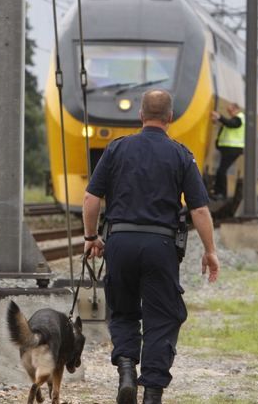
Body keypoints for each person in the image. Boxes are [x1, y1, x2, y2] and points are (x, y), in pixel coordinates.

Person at [82, 89, 220, 404]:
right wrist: (210, 250)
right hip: (160, 244)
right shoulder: (181, 154)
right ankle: (153, 393)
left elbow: (91, 199)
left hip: (120, 241)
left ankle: (127, 370)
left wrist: (91, 237)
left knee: (123, 311)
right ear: (170, 118)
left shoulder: (116, 149)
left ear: (141, 116)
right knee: (162, 316)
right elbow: (198, 210)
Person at [210, 103, 246, 200]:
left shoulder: (239, 118)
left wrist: (219, 117)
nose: (230, 113)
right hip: (229, 149)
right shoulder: (234, 119)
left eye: (231, 111)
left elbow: (232, 124)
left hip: (233, 149)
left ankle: (221, 193)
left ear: (236, 109)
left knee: (222, 170)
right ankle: (218, 191)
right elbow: (226, 127)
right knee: (221, 170)